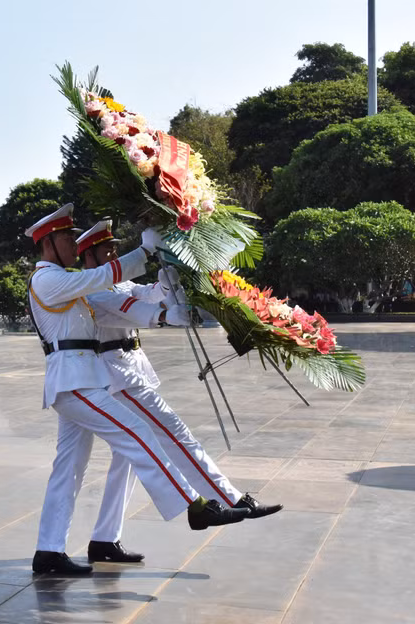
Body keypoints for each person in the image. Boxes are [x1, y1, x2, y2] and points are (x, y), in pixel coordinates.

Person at [26, 204, 250, 576]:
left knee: (69, 469)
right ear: (48, 242)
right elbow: (101, 278)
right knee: (137, 432)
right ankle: (195, 506)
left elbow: (117, 294)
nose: (72, 244)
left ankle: (49, 551)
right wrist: (143, 251)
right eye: (66, 237)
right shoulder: (47, 279)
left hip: (82, 377)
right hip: (73, 380)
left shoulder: (63, 279)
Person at [75, 219, 283, 564]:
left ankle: (104, 540)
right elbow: (136, 311)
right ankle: (229, 497)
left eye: (113, 248)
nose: (113, 254)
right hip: (118, 376)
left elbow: (146, 294)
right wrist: (166, 314)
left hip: (130, 370)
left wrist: (167, 276)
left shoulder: (118, 283)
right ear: (89, 256)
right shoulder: (93, 290)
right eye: (107, 250)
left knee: (126, 460)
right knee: (175, 432)